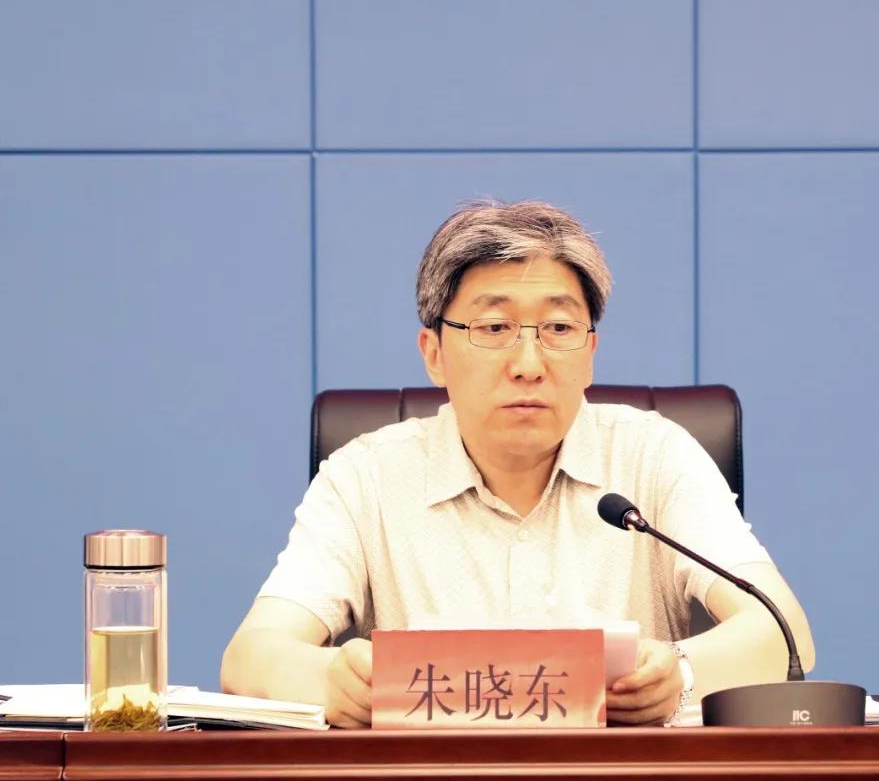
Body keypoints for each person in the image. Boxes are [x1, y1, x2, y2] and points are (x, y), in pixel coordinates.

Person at [221, 200, 814, 727]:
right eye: (494, 327)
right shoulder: (365, 478)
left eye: (559, 327)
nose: (529, 363)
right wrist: (329, 680)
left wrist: (680, 673)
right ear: (433, 353)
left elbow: (785, 633)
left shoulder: (655, 457)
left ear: (590, 353)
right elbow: (250, 657)